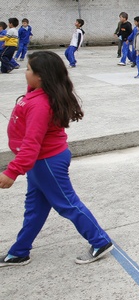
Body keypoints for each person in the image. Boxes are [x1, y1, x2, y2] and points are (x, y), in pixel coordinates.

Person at [0, 51, 113, 267]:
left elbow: (32, 143)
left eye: (28, 70)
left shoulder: (40, 105)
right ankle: (19, 252)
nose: (25, 73)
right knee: (34, 208)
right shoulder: (36, 94)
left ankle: (100, 241)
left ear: (41, 76)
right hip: (40, 162)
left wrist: (12, 171)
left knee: (67, 204)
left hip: (46, 162)